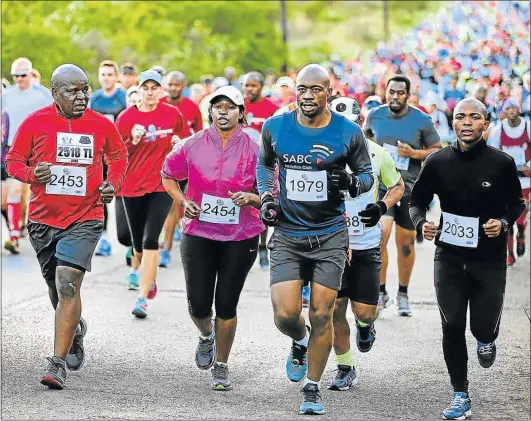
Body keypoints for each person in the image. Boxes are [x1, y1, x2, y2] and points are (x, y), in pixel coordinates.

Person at [256, 64, 374, 415]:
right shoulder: (276, 126)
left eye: (316, 89)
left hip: (330, 235)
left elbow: (367, 175)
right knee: (286, 314)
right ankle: (300, 340)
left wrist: (352, 184)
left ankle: (312, 387)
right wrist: (266, 197)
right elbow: (264, 165)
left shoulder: (348, 132)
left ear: (329, 93)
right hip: (289, 233)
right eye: (302, 89)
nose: (308, 95)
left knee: (322, 312)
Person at [5, 64, 128, 389]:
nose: (82, 95)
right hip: (44, 220)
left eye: (85, 88)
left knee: (68, 284)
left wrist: (112, 183)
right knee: (54, 289)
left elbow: (118, 157)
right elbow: (13, 161)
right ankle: (74, 329)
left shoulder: (100, 124)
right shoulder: (36, 122)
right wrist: (33, 174)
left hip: (85, 218)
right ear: (55, 93)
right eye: (73, 90)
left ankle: (56, 363)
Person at [409, 98, 525, 420]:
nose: (467, 122)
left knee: (482, 327)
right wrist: (422, 224)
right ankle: (460, 393)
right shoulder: (437, 162)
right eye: (461, 117)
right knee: (452, 324)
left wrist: (501, 223)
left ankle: (487, 339)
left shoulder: (500, 163)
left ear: (486, 124)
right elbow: (416, 202)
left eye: (475, 117)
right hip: (448, 255)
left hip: (488, 260)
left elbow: (517, 205)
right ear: (453, 123)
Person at [161, 86, 263, 391]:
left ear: (241, 113)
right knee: (199, 305)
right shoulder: (192, 144)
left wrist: (253, 198)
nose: (223, 112)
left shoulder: (256, 147)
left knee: (227, 304)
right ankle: (206, 335)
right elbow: (167, 173)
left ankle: (221, 365)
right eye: (218, 106)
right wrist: (181, 199)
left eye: (230, 107)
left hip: (241, 235)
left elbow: (274, 189)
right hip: (198, 233)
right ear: (210, 112)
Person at [326, 97, 404, 391]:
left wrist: (382, 207)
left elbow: (398, 186)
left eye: (352, 124)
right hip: (331, 245)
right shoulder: (317, 154)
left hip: (366, 244)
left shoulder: (377, 153)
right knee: (334, 308)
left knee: (364, 311)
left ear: (361, 124)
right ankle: (345, 367)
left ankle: (364, 325)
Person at [363, 75, 442, 315]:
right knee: (380, 237)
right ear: (385, 92)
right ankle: (381, 291)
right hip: (383, 189)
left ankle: (404, 294)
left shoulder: (421, 120)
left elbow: (437, 151)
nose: (395, 96)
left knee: (405, 244)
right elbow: (364, 142)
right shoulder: (375, 115)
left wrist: (414, 153)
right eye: (392, 92)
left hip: (410, 189)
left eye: (400, 92)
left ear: (408, 95)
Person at [115, 70, 190, 317]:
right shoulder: (126, 118)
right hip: (132, 186)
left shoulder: (172, 114)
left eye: (154, 88)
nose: (149, 92)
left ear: (161, 91)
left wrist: (178, 143)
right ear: (140, 89)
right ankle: (148, 269)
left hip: (162, 185)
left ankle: (142, 297)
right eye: (145, 88)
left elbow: (185, 143)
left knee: (150, 240)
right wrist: (132, 140)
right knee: (137, 244)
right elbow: (115, 154)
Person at [2, 57, 53, 254]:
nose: (19, 80)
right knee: (15, 189)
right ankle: (13, 236)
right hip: (14, 148)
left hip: (38, 148)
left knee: (33, 192)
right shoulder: (7, 95)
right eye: (15, 76)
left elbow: (54, 118)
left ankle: (36, 230)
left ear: (31, 74)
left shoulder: (43, 95)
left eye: (22, 75)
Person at [158, 71, 204, 267]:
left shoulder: (191, 107)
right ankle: (161, 246)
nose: (174, 88)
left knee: (175, 206)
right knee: (167, 206)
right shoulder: (158, 105)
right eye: (171, 84)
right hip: (161, 163)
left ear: (184, 85)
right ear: (165, 85)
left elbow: (201, 135)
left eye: (178, 85)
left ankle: (167, 247)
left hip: (186, 165)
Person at [89, 60, 127, 257]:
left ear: (116, 77)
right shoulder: (94, 99)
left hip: (120, 155)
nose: (106, 78)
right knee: (100, 195)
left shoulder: (124, 97)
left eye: (110, 75)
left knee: (123, 195)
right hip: (99, 155)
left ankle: (130, 237)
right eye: (103, 74)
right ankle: (103, 238)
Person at [487, 98, 531, 266]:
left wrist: (528, 166)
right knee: (507, 219)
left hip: (526, 178)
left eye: (514, 108)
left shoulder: (528, 126)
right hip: (507, 179)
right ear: (503, 112)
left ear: (519, 110)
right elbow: (493, 153)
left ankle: (521, 233)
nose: (511, 111)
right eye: (508, 109)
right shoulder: (498, 130)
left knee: (520, 215)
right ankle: (510, 253)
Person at [242, 71, 279, 268]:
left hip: (263, 163)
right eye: (246, 85)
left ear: (262, 87)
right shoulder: (237, 105)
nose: (249, 89)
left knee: (262, 203)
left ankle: (263, 246)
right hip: (238, 163)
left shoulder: (271, 109)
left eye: (253, 86)